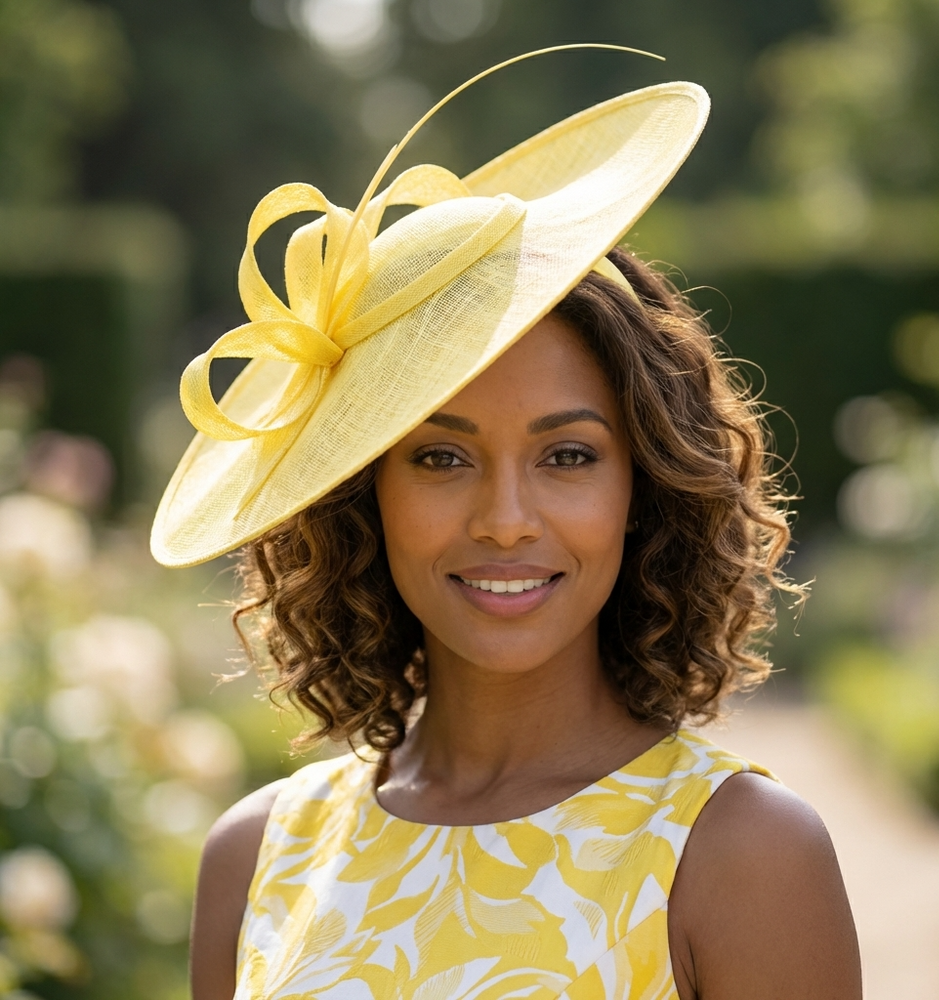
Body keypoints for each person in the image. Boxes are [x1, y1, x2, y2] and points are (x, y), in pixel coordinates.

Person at [151, 46, 862, 1000]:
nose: (504, 521)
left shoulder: (739, 854)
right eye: (440, 458)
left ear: (641, 490)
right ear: (364, 498)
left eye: (568, 456)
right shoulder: (255, 856)